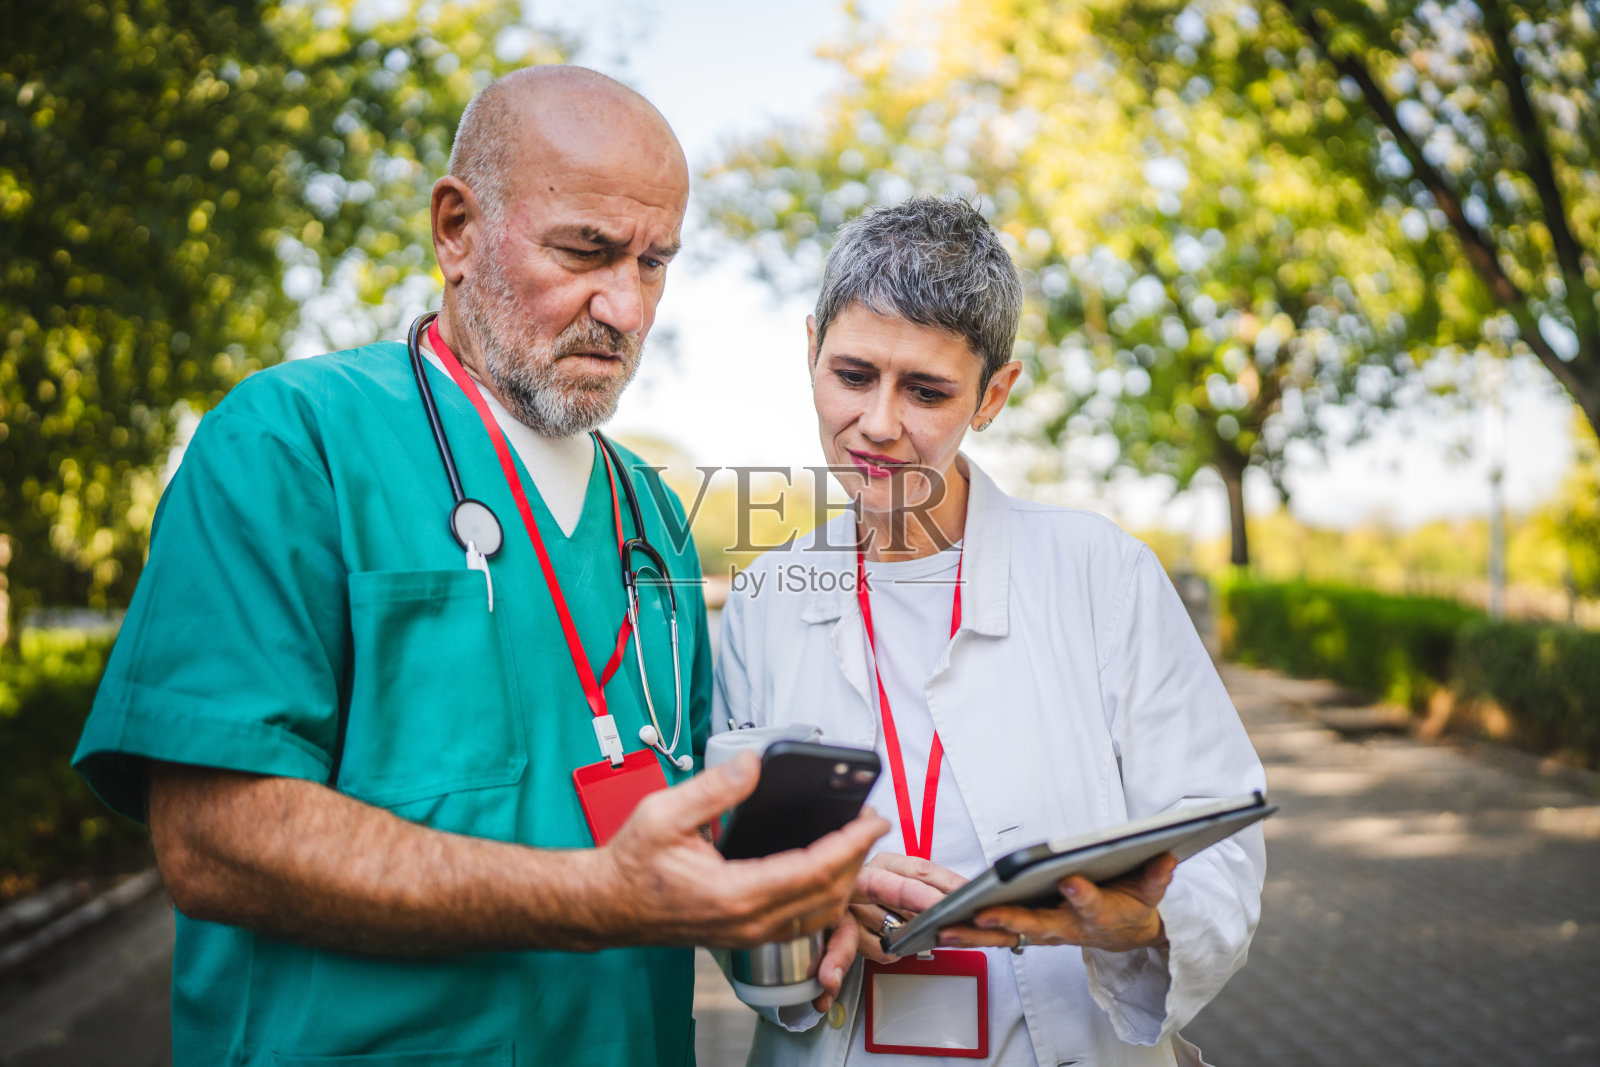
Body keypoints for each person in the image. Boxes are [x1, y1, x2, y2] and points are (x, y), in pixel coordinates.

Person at [72, 66, 886, 1066]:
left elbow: (661, 814)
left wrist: (777, 886)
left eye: (654, 262)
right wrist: (592, 898)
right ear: (455, 228)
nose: (624, 306)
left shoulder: (653, 517)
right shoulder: (288, 443)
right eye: (585, 250)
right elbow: (213, 839)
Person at [713, 197, 1266, 1066]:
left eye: (927, 390)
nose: (880, 423)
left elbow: (1221, 834)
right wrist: (806, 908)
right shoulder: (765, 598)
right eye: (853, 374)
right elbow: (734, 863)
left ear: (994, 393)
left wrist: (1147, 922)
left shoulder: (1102, 574)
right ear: (810, 347)